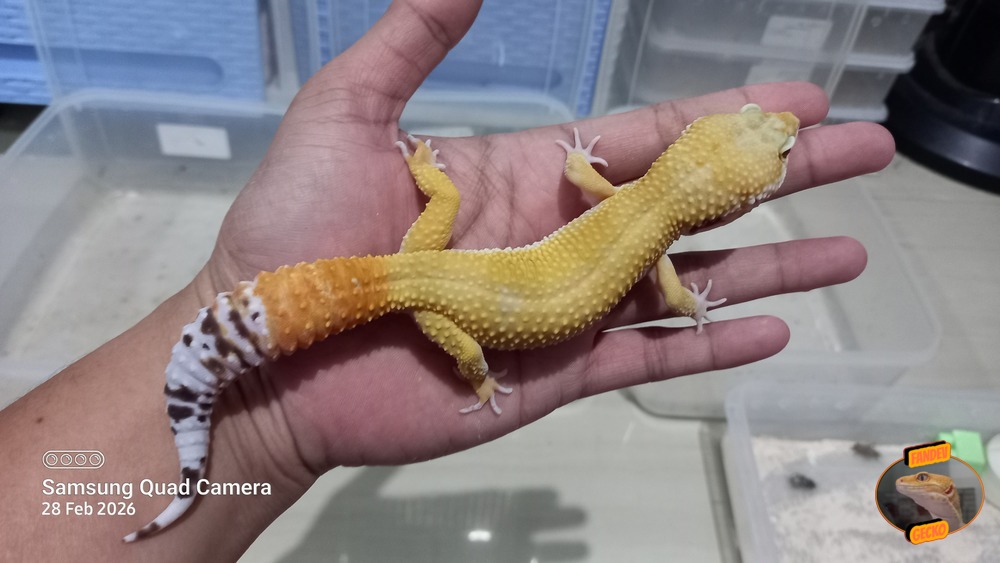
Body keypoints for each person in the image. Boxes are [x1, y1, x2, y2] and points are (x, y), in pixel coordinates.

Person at [0, 0, 892, 559]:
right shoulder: (655, 233)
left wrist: (441, 174)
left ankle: (218, 399)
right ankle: (236, 412)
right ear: (730, 193)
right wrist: (682, 306)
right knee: (462, 347)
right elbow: (668, 292)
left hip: (425, 271)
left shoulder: (632, 197)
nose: (779, 131)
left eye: (770, 141)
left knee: (443, 211)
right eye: (769, 138)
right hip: (434, 302)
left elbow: (579, 173)